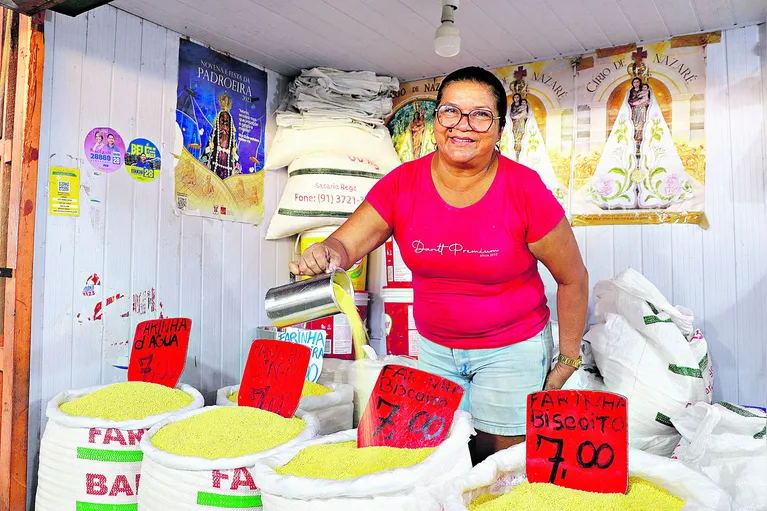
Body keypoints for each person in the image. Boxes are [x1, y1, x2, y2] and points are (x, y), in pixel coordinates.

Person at [290, 66, 589, 464]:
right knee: (439, 460)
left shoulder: (524, 190)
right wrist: (327, 252)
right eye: (451, 111)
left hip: (511, 350)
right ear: (435, 122)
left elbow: (572, 278)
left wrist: (568, 358)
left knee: (498, 466)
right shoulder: (402, 185)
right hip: (434, 349)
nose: (463, 126)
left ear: (499, 128)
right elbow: (345, 243)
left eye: (481, 115)